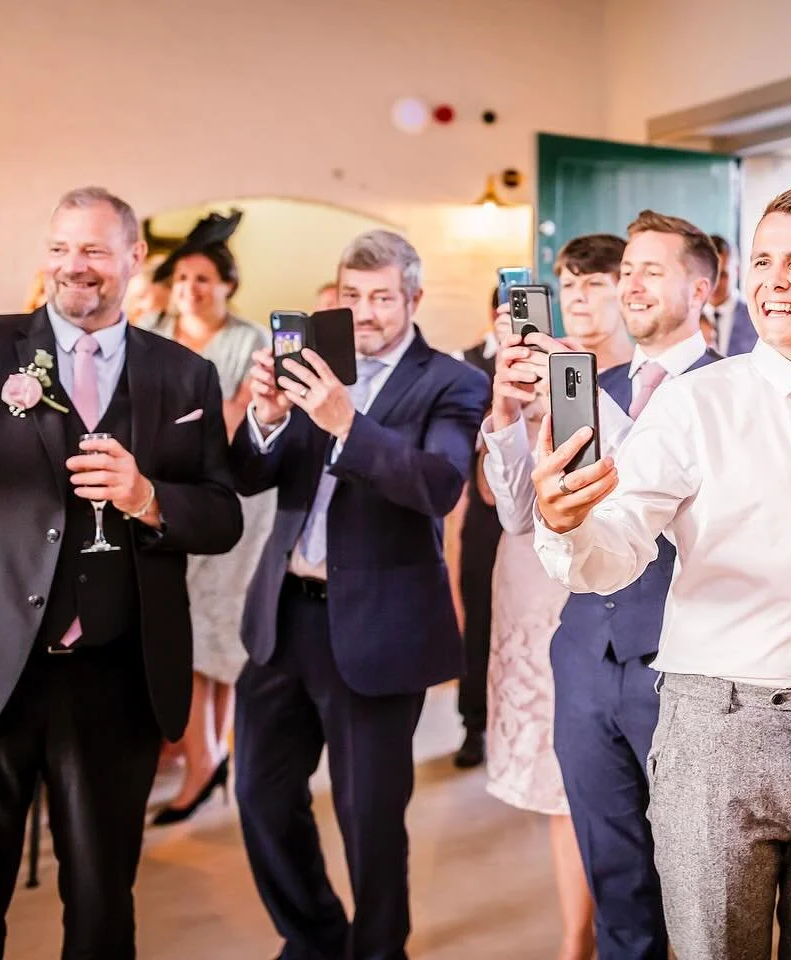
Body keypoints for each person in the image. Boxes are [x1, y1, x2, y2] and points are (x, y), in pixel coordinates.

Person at [531, 187, 791, 960]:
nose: (774, 280)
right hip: (717, 733)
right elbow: (619, 545)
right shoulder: (696, 405)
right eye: (762, 262)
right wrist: (567, 525)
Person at [0, 186, 243, 959]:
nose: (74, 268)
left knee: (104, 903)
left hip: (113, 680)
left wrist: (146, 498)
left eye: (95, 251)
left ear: (135, 260)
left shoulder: (185, 377)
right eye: (60, 249)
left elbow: (220, 514)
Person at [230, 229, 488, 959]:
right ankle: (313, 938)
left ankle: (380, 951)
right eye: (352, 296)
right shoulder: (312, 368)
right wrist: (269, 417)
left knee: (369, 818)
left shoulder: (451, 381)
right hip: (283, 623)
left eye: (382, 297)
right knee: (260, 796)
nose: (365, 311)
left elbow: (437, 487)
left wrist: (346, 420)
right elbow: (248, 475)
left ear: (413, 299)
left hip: (380, 634)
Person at [484, 214, 721, 959]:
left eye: (651, 270)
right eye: (629, 272)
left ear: (702, 289)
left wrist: (575, 386)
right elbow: (523, 512)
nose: (632, 285)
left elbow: (671, 489)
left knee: (709, 881)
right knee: (616, 875)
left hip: (687, 664)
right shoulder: (597, 382)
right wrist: (510, 413)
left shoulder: (735, 390)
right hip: (585, 655)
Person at [482, 233, 632, 960]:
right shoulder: (536, 370)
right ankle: (577, 938)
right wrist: (507, 405)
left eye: (595, 281)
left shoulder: (650, 377)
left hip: (615, 585)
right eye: (567, 282)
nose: (576, 294)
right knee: (563, 783)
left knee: (627, 789)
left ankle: (634, 932)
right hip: (535, 586)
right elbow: (510, 509)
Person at [141, 230, 275, 824]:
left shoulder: (251, 343)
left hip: (234, 501)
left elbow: (228, 427)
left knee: (215, 629)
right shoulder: (152, 337)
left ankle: (205, 760)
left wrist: (181, 427)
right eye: (182, 279)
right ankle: (208, 754)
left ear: (227, 285)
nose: (190, 289)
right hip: (165, 499)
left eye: (203, 278)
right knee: (185, 628)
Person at [450, 288, 505, 769]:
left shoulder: (557, 362)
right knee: (480, 623)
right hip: (485, 518)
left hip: (538, 523)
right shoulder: (465, 364)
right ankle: (474, 723)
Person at [705, 234, 758, 355]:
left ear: (737, 270)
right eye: (710, 275)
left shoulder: (756, 316)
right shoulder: (686, 320)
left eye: (723, 275)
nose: (715, 284)